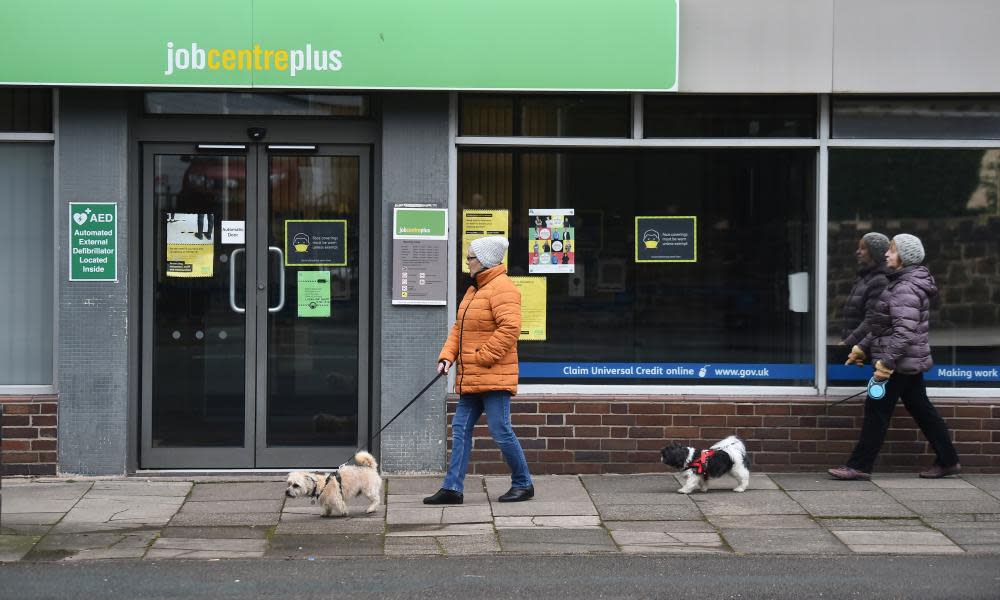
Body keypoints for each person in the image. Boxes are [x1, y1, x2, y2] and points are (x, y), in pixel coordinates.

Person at [829, 234, 961, 480]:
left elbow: (903, 332)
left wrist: (885, 363)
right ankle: (948, 460)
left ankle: (859, 466)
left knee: (876, 410)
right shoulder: (899, 283)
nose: (887, 254)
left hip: (896, 365)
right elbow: (883, 327)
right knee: (922, 410)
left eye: (892, 250)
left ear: (905, 257)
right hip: (904, 362)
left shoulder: (905, 288)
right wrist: (862, 348)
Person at [424, 236, 535, 504]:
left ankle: (523, 483)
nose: (467, 263)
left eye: (471, 258)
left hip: (493, 375)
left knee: (500, 429)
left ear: (484, 261)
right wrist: (447, 356)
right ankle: (452, 488)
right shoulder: (475, 290)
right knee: (460, 428)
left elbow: (510, 329)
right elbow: (459, 330)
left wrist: (482, 357)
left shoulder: (503, 288)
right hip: (472, 377)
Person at [839, 232, 890, 349]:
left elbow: (872, 320)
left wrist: (848, 343)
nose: (858, 252)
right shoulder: (864, 278)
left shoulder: (880, 281)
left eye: (863, 248)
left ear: (874, 253)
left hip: (865, 351)